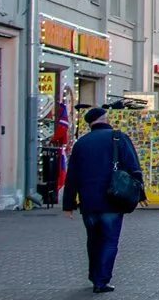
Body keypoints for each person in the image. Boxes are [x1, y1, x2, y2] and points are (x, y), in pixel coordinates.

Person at [61, 107, 144, 294]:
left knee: (93, 240)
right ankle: (101, 281)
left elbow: (72, 176)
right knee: (109, 241)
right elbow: (133, 168)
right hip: (113, 200)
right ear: (104, 119)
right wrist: (141, 195)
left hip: (88, 203)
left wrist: (68, 204)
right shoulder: (118, 138)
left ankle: (94, 275)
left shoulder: (81, 143)